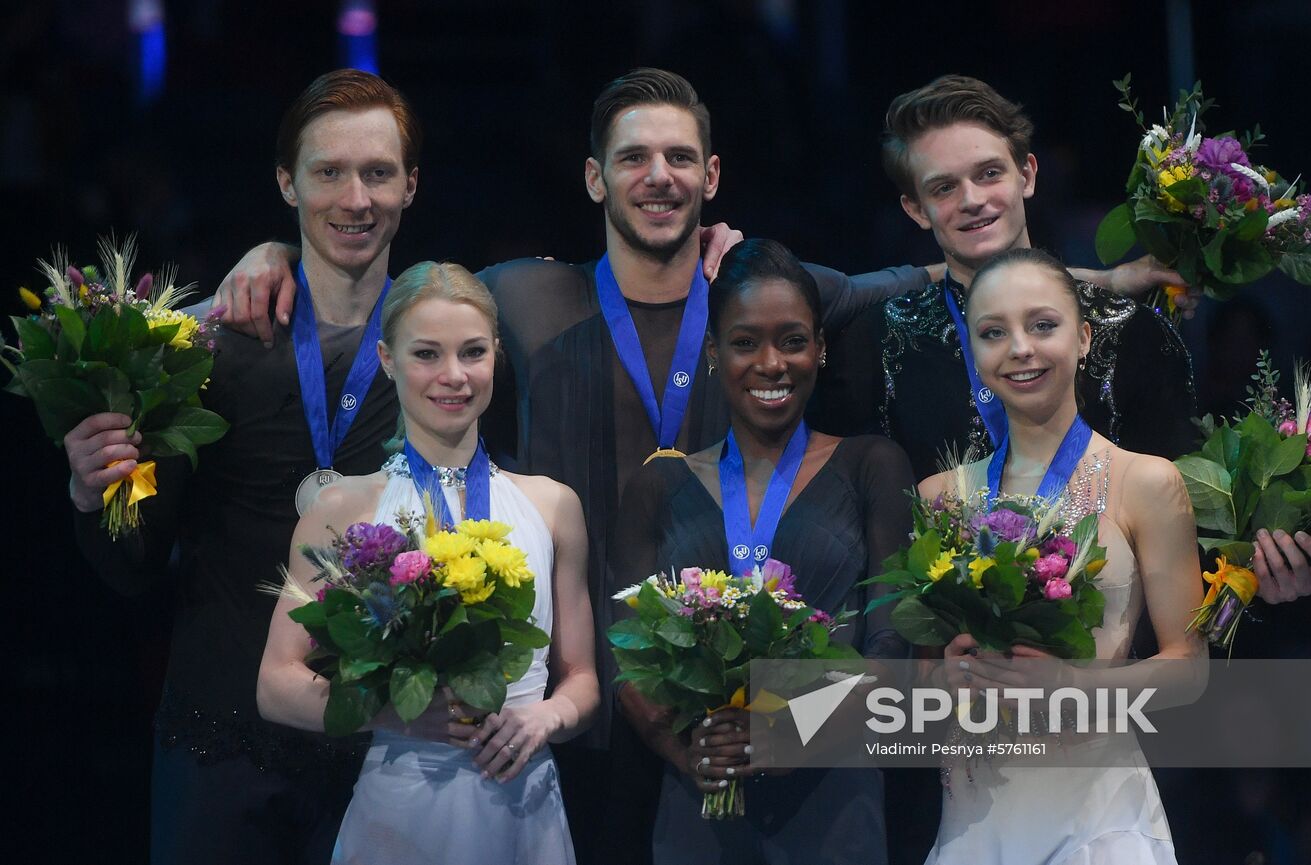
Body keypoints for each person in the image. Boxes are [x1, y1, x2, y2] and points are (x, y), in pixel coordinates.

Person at [214, 66, 938, 864]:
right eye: (632, 158)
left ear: (713, 175)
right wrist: (279, 252)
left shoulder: (757, 298)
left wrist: (1087, 282)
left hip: (704, 715)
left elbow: (927, 280)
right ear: (594, 176)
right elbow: (408, 294)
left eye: (678, 157)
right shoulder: (525, 298)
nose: (657, 177)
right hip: (567, 731)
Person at [62, 69, 418, 863]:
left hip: (387, 758)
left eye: (378, 173)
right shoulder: (203, 349)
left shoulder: (444, 355)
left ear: (411, 186)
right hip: (219, 758)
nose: (355, 198)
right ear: (287, 182)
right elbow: (132, 564)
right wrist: (92, 493)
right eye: (328, 172)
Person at [813, 73, 1311, 616]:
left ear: (1027, 174)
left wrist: (1258, 575)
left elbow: (1191, 540)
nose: (972, 200)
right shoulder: (875, 343)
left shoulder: (1135, 332)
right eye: (943, 187)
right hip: (948, 675)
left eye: (989, 174)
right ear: (916, 209)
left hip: (1112, 679)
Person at [258, 261, 598, 864]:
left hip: (523, 805)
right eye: (426, 354)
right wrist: (394, 713)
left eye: (472, 353)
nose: (453, 376)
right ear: (388, 360)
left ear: (496, 353)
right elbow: (277, 684)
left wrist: (545, 718)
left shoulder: (553, 506)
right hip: (404, 806)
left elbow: (582, 678)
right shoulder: (341, 510)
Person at [610, 238, 915, 864]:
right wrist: (688, 751)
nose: (771, 363)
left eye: (793, 340)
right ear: (716, 354)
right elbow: (626, 660)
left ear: (822, 348)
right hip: (702, 805)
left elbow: (891, 648)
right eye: (746, 342)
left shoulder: (872, 466)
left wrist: (793, 733)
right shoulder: (656, 486)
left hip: (833, 805)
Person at [917, 248, 1208, 863]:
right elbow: (923, 686)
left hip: (1100, 818)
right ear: (972, 351)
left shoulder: (1146, 482)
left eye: (1042, 325)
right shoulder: (939, 497)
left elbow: (1188, 668)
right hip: (975, 819)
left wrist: (1074, 685)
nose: (1019, 347)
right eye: (993, 332)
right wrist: (947, 680)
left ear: (1084, 339)